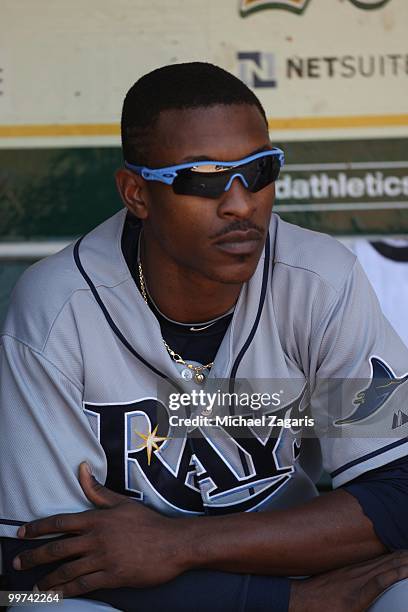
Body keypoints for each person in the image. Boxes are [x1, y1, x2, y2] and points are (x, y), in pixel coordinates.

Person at [1, 62, 408, 612]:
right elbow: (27, 567)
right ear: (137, 193)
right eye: (204, 178)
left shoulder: (315, 283)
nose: (241, 203)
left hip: (287, 560)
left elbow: (397, 493)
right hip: (141, 597)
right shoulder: (59, 309)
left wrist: (182, 546)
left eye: (259, 171)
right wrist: (288, 603)